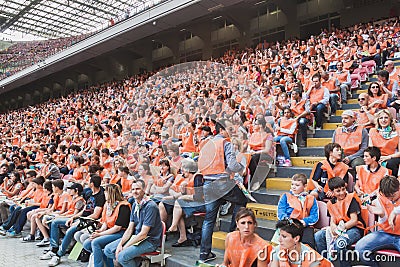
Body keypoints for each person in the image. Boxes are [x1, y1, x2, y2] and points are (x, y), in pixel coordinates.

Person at [197, 119, 247, 263]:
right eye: (228, 130)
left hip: (207, 182)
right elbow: (232, 164)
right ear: (221, 130)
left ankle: (204, 255)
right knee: (242, 201)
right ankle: (233, 235)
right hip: (221, 182)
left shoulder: (205, 144)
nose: (230, 133)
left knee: (208, 220)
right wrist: (240, 169)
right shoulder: (225, 143)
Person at [103, 180, 162, 267]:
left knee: (122, 256)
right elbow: (130, 228)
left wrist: (125, 246)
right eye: (133, 189)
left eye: (138, 189)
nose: (135, 191)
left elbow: (143, 234)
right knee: (108, 250)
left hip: (150, 241)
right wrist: (120, 244)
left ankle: (135, 263)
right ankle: (138, 263)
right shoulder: (135, 204)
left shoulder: (151, 206)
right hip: (136, 237)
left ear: (144, 189)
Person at [314, 177, 366, 267]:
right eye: (338, 191)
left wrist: (340, 229)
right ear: (332, 192)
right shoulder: (330, 203)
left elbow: (354, 220)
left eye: (343, 189)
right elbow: (332, 220)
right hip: (340, 229)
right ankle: (326, 263)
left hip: (354, 229)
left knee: (340, 243)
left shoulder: (351, 199)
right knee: (318, 236)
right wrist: (333, 228)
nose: (342, 193)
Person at [355, 175, 400, 267]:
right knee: (360, 248)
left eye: (393, 195)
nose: (391, 199)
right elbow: (373, 202)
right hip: (385, 233)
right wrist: (369, 205)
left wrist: (394, 212)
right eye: (388, 197)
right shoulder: (381, 196)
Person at [83, 184, 131, 267]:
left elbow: (117, 228)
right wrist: (100, 231)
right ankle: (107, 263)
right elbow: (105, 222)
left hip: (120, 232)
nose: (104, 193)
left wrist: (100, 235)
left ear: (111, 193)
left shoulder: (123, 206)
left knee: (95, 242)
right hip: (109, 230)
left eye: (105, 192)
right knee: (87, 244)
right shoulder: (107, 204)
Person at [40, 183, 86, 266]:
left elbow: (74, 214)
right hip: (69, 217)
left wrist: (61, 216)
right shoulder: (73, 198)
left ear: (76, 190)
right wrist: (60, 215)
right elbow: (69, 211)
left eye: (71, 189)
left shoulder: (79, 200)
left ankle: (55, 250)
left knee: (55, 222)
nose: (69, 190)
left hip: (74, 219)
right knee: (52, 221)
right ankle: (53, 247)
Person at [262, 218, 333, 267]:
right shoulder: (278, 249)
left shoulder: (312, 259)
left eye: (284, 236)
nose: (279, 239)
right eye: (279, 235)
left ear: (296, 238)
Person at [166, 159, 205, 247]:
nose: (181, 172)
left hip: (202, 204)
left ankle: (174, 226)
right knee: (178, 208)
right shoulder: (188, 179)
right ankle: (182, 236)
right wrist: (183, 191)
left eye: (183, 170)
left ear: (187, 170)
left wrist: (184, 196)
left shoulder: (197, 177)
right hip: (193, 203)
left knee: (178, 203)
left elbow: (198, 197)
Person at [277, 173, 318, 248]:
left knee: (308, 245)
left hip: (304, 225)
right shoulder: (285, 196)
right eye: (292, 184)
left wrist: (304, 222)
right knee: (283, 244)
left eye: (297, 185)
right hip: (288, 224)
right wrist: (288, 221)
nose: (293, 187)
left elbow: (314, 216)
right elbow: (281, 212)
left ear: (305, 186)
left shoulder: (311, 198)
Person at [368, 109, 400, 176]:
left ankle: (391, 184)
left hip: (392, 157)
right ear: (378, 120)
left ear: (390, 119)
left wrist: (388, 157)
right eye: (381, 118)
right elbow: (370, 150)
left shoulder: (397, 131)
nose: (383, 120)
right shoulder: (372, 131)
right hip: (377, 157)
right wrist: (376, 158)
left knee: (390, 163)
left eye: (386, 117)